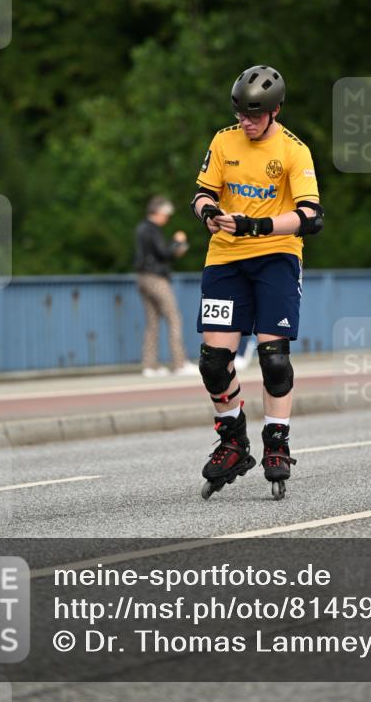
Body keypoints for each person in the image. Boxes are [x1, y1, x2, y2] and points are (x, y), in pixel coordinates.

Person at [190, 65, 324, 499]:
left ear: (275, 110)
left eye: (255, 115)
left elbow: (311, 217)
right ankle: (233, 440)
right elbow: (201, 194)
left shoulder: (293, 151)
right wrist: (208, 213)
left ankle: (277, 443)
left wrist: (258, 226)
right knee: (213, 361)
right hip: (226, 259)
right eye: (241, 114)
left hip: (275, 256)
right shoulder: (222, 140)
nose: (246, 122)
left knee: (273, 358)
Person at [134, 195, 198, 377]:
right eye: (166, 214)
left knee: (152, 321)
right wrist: (178, 242)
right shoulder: (152, 229)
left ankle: (149, 366)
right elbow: (163, 253)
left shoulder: (141, 228)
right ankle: (179, 363)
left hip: (141, 277)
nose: (167, 218)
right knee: (174, 317)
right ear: (159, 212)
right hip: (156, 278)